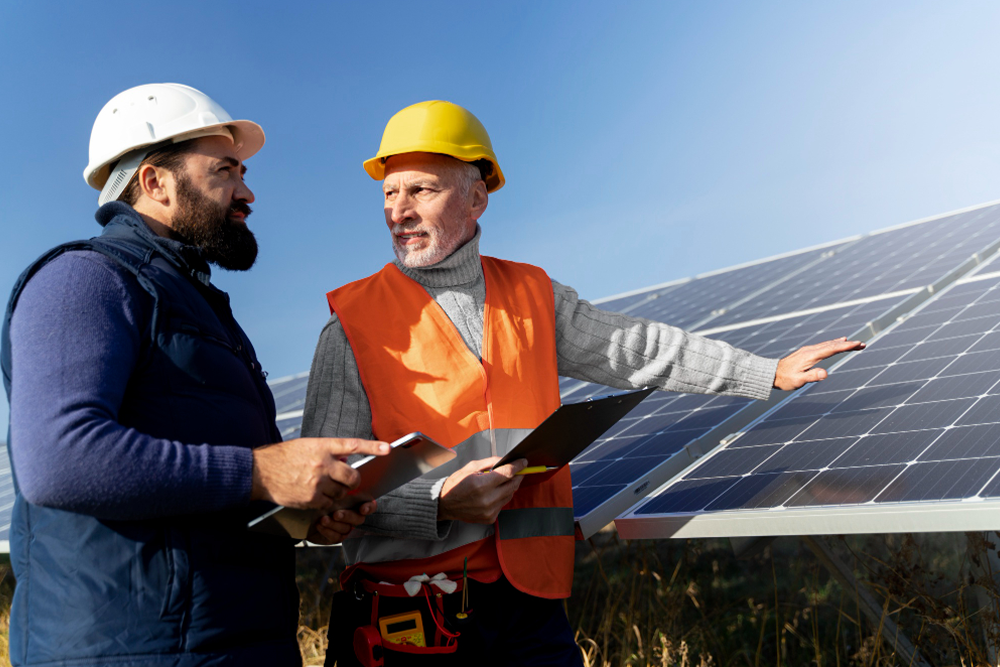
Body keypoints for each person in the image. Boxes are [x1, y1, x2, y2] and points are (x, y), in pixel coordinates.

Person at [301, 100, 864, 666]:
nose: (398, 211)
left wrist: (765, 372)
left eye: (420, 190)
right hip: (409, 617)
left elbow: (637, 348)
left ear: (476, 198)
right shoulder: (352, 324)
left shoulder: (533, 294)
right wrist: (439, 502)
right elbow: (326, 496)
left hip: (530, 607)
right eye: (388, 193)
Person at [0, 83, 388, 667]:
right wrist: (261, 472)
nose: (247, 192)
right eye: (225, 171)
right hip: (132, 653)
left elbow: (200, 495)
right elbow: (59, 460)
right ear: (155, 182)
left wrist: (300, 513)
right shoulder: (84, 279)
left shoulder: (200, 308)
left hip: (231, 643)